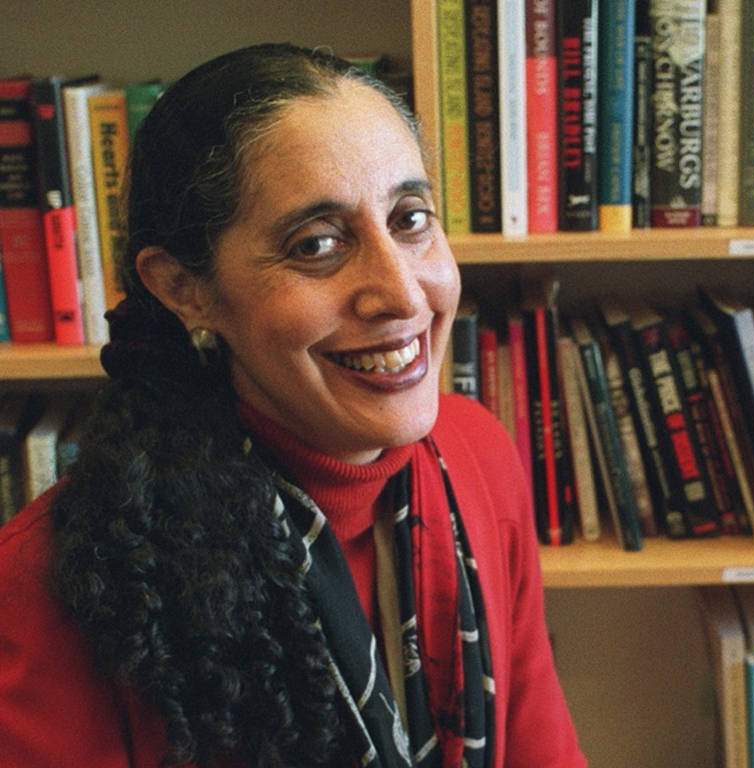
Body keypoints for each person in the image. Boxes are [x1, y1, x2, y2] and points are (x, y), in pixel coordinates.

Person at [0, 43, 586, 768]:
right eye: (317, 244)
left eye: (410, 219)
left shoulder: (479, 457)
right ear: (185, 289)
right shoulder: (55, 587)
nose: (402, 293)